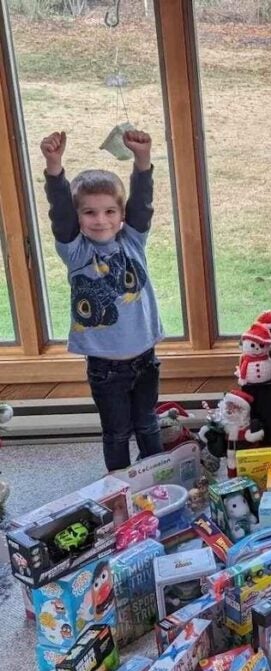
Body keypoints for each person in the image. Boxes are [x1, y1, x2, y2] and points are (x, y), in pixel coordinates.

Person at [40, 129, 163, 471]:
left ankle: (157, 480)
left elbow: (142, 204)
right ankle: (121, 488)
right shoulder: (76, 251)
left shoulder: (133, 239)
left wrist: (142, 160)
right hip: (106, 368)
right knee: (117, 432)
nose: (101, 220)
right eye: (90, 213)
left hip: (145, 358)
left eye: (110, 211)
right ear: (78, 218)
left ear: (121, 214)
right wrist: (54, 167)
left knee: (148, 424)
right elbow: (60, 214)